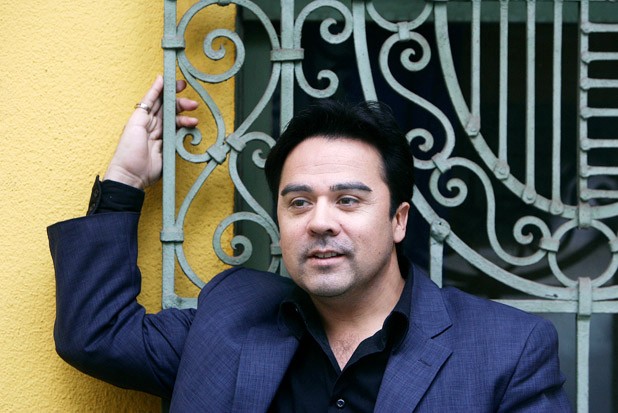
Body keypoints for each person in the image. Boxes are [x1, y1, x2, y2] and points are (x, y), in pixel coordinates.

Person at [48, 76, 571, 412]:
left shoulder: (506, 348)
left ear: (398, 220)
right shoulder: (229, 317)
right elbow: (96, 333)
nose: (320, 222)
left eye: (348, 200)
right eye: (298, 202)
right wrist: (126, 180)